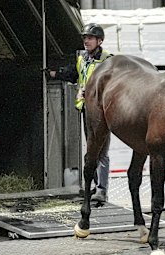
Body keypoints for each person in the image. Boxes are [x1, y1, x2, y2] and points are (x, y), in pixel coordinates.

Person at [46, 23, 112, 203]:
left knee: (101, 151)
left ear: (99, 41)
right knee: (91, 150)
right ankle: (92, 187)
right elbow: (74, 74)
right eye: (84, 38)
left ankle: (102, 190)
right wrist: (54, 74)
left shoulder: (107, 60)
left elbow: (112, 86)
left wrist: (91, 93)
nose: (86, 41)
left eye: (90, 38)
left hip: (102, 112)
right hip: (86, 109)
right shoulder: (82, 58)